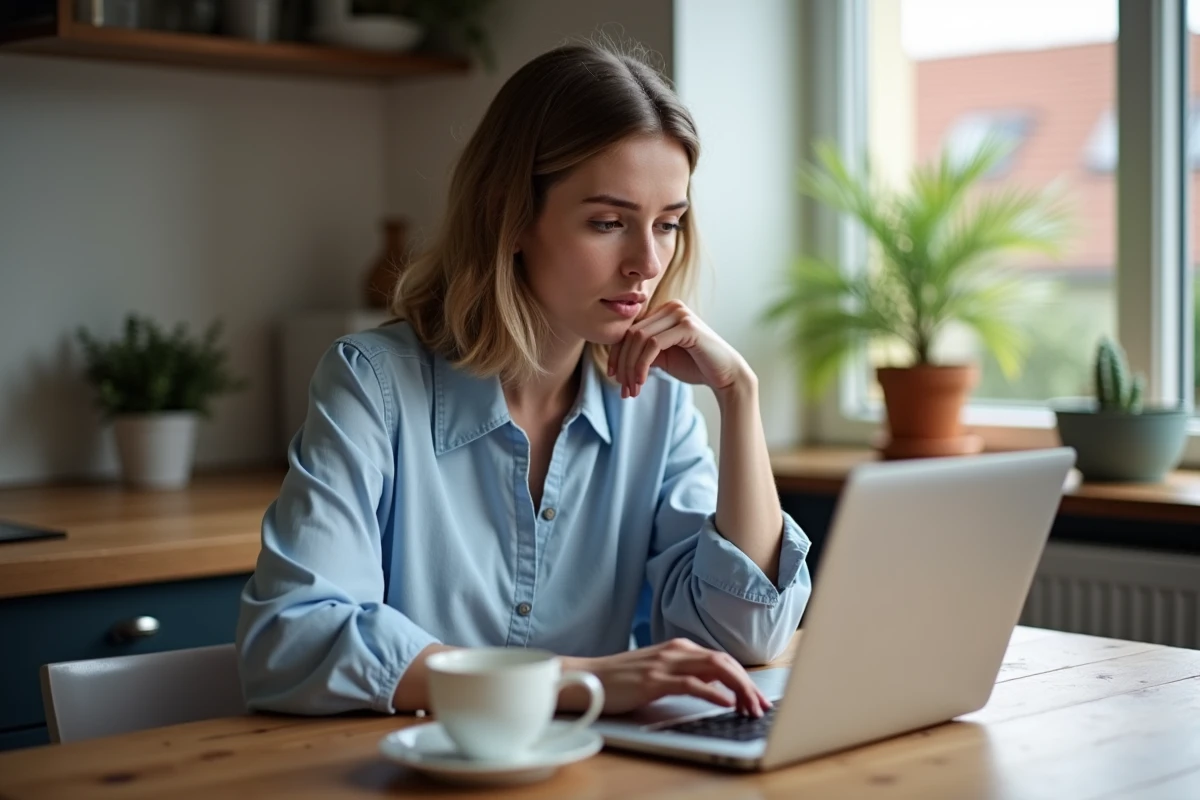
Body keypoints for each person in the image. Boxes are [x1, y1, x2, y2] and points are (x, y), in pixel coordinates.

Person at [236, 40, 812, 721]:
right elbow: (292, 641)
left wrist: (737, 396)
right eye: (608, 223)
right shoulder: (373, 384)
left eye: (668, 225)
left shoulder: (656, 403)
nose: (647, 263)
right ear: (509, 216)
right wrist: (578, 680)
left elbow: (749, 637)